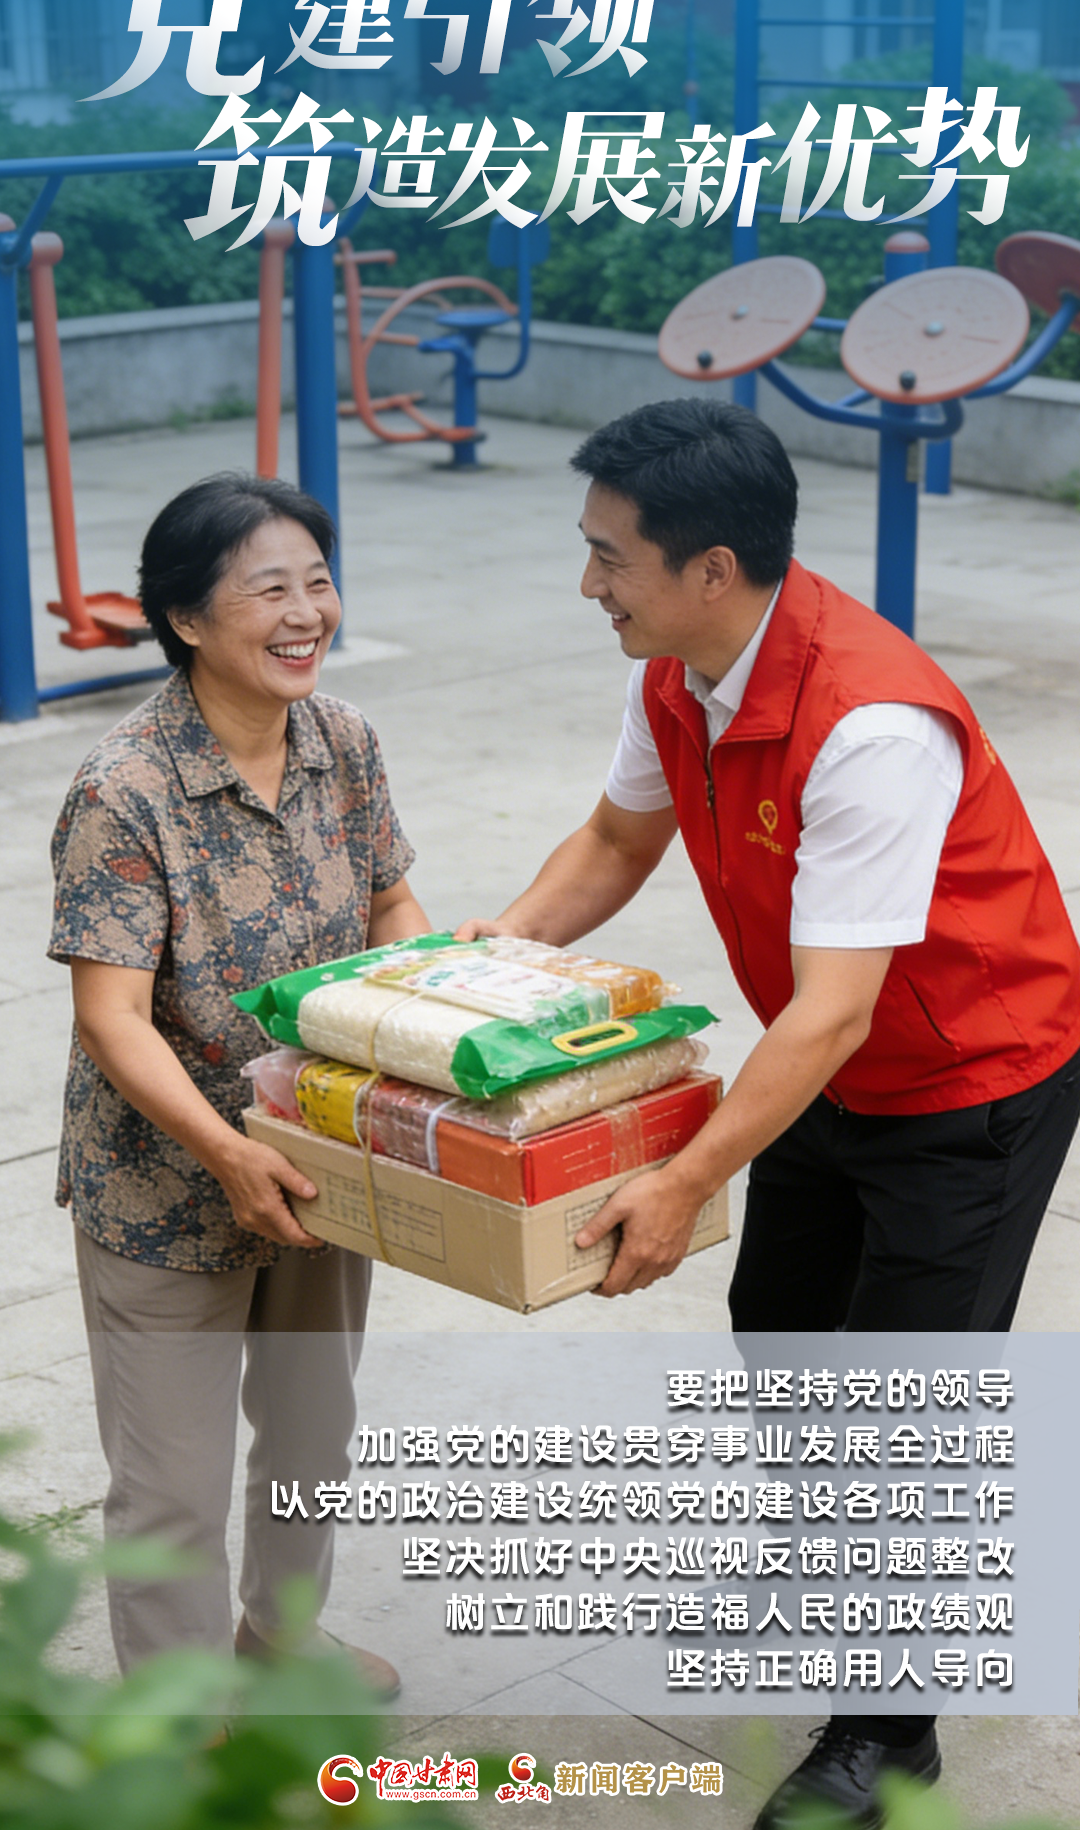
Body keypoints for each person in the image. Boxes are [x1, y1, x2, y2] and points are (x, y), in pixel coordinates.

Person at [456, 398, 1080, 1827]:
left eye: (610, 557)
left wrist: (684, 1177)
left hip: (971, 1081)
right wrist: (492, 959)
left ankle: (887, 1736)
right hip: (833, 1065)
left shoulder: (871, 722)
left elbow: (836, 1008)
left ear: (712, 568)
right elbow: (616, 839)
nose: (589, 584)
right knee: (782, 1333)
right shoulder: (679, 674)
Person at [49, 472, 429, 1693]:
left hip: (320, 1156)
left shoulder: (344, 740)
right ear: (186, 618)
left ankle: (281, 1636)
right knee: (169, 1482)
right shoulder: (123, 789)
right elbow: (110, 1015)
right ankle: (177, 1725)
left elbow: (392, 904)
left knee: (314, 1432)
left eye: (318, 581)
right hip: (166, 1184)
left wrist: (426, 1016)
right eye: (269, 590)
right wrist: (226, 1152)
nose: (306, 611)